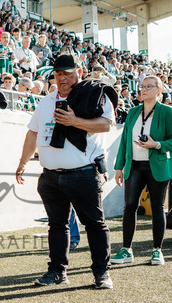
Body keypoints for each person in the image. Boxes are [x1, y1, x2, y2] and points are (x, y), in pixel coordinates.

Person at [14, 55, 115, 289]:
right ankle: (58, 271)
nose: (62, 78)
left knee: (94, 224)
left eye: (67, 73)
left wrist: (74, 121)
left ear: (78, 73)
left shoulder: (94, 93)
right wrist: (22, 162)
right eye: (58, 74)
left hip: (84, 174)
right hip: (50, 175)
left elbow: (106, 125)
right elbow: (32, 133)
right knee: (57, 225)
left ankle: (102, 273)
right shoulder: (46, 101)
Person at [110, 75, 172, 267]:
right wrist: (119, 167)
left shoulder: (167, 111)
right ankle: (126, 250)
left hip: (157, 165)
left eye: (149, 86)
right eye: (142, 86)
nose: (144, 89)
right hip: (134, 165)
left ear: (159, 90)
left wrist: (156, 144)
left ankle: (157, 250)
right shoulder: (133, 112)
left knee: (157, 208)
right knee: (129, 206)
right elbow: (125, 141)